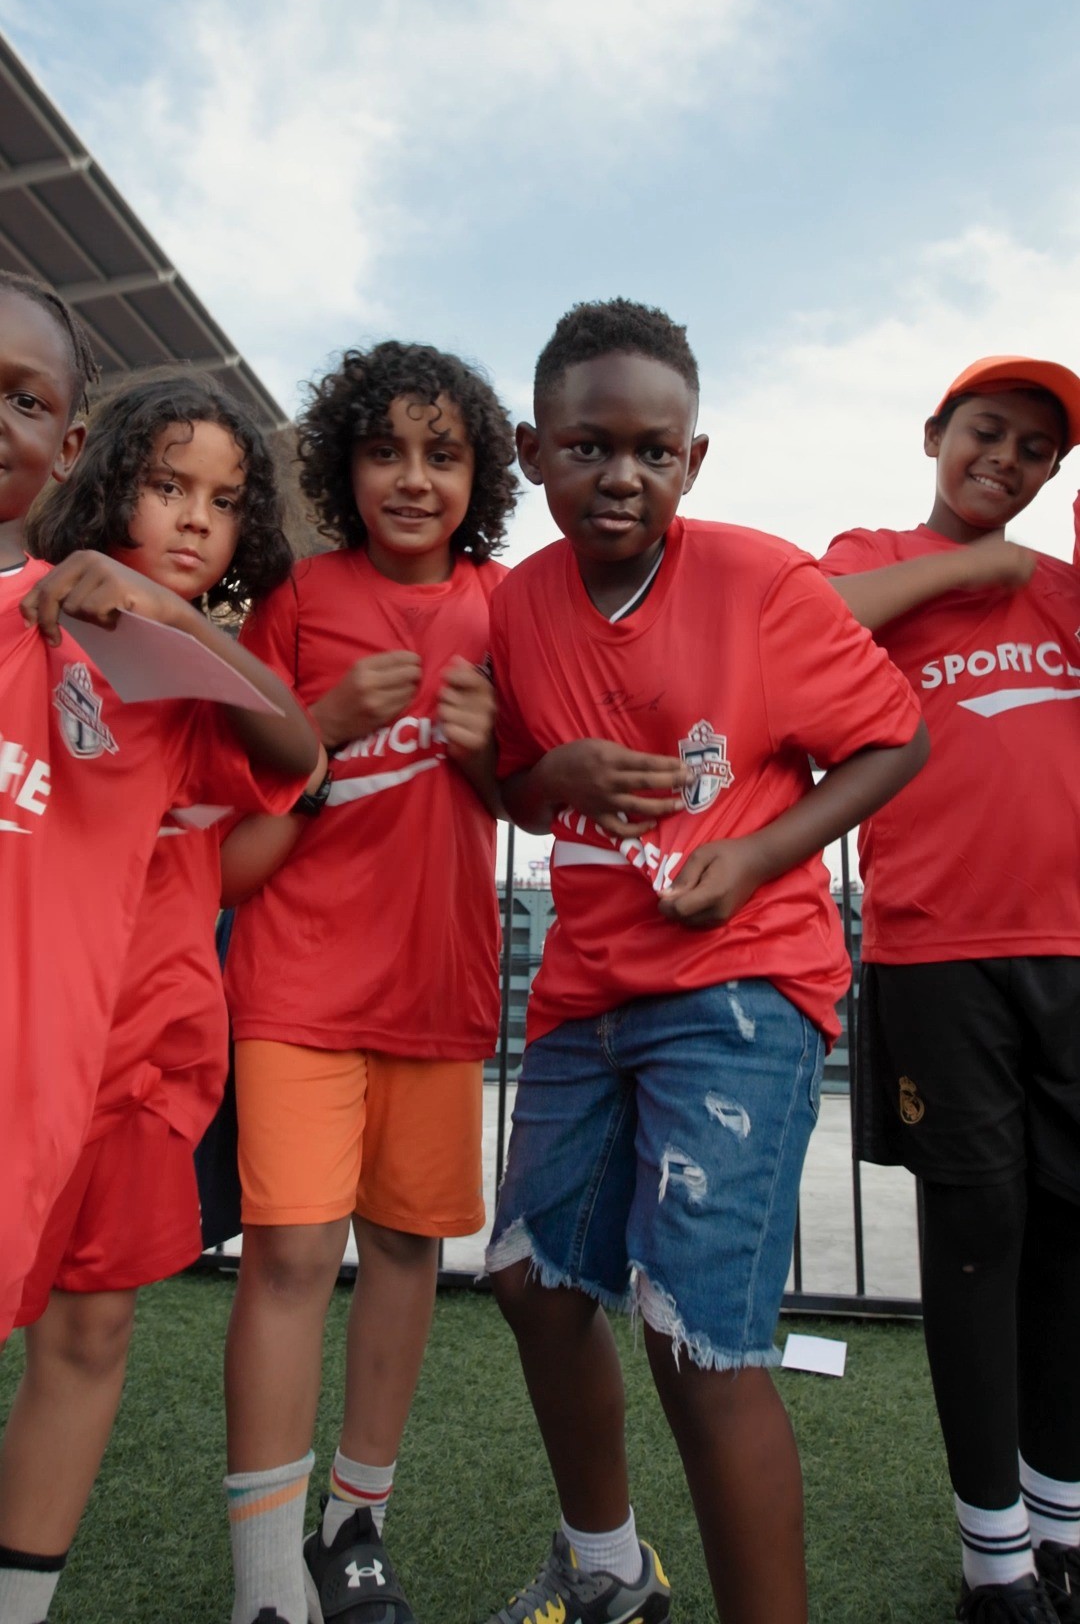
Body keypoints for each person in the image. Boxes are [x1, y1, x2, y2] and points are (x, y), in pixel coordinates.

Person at [480, 297, 928, 1624]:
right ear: (531, 449)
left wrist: (757, 853)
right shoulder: (517, 606)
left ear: (696, 459)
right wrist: (542, 775)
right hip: (585, 991)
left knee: (696, 1334)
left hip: (741, 989)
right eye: (587, 446)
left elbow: (893, 739)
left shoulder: (759, 582)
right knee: (530, 1278)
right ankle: (607, 1569)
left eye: (653, 451)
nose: (621, 474)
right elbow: (512, 787)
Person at [0, 367, 323, 1624]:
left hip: (142, 1063)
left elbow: (295, 752)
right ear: (102, 478)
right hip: (27, 1043)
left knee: (89, 1338)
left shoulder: (186, 674)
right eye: (166, 485)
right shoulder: (26, 609)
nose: (196, 518)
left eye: (227, 501)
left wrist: (173, 621)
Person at [217, 341, 517, 1624]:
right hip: (294, 983)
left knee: (404, 1250)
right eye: (385, 450)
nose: (411, 477)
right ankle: (264, 1581)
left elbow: (531, 793)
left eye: (441, 455)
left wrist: (497, 753)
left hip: (439, 989)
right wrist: (321, 725)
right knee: (289, 1254)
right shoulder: (296, 599)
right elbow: (244, 790)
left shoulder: (507, 605)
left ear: (478, 474)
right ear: (344, 462)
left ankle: (357, 1525)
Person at [821, 355, 1080, 1624]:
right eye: (988, 430)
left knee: (1071, 1240)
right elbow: (812, 626)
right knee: (979, 1239)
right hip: (936, 954)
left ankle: (1063, 1521)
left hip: (1073, 956)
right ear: (936, 431)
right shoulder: (873, 552)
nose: (1007, 459)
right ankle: (994, 1559)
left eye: (1038, 450)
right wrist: (973, 569)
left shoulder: (1068, 592)